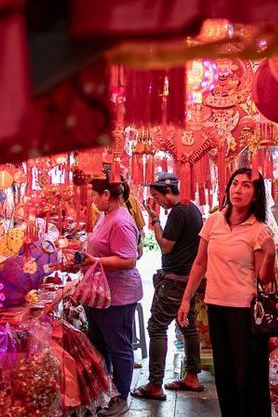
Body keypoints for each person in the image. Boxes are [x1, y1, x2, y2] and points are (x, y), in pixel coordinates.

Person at [176, 168, 276, 417]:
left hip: (246, 311)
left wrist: (271, 255)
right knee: (225, 375)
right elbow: (200, 263)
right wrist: (186, 299)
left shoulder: (258, 229)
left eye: (246, 186)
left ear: (256, 195)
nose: (238, 190)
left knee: (250, 377)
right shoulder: (213, 221)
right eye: (234, 183)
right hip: (217, 307)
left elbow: (264, 279)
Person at [131, 172, 204, 401]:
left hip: (173, 282)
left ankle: (154, 384)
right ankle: (192, 376)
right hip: (187, 280)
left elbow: (165, 246)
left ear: (169, 192)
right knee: (188, 325)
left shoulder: (177, 213)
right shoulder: (191, 208)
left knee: (157, 326)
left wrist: (154, 221)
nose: (157, 202)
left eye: (157, 196)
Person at [79, 178, 143, 417]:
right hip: (100, 294)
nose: (93, 200)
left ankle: (121, 397)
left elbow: (128, 259)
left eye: (95, 195)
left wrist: (94, 262)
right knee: (99, 346)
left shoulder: (121, 221)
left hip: (118, 297)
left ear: (107, 194)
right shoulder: (107, 216)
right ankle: (105, 391)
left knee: (119, 347)